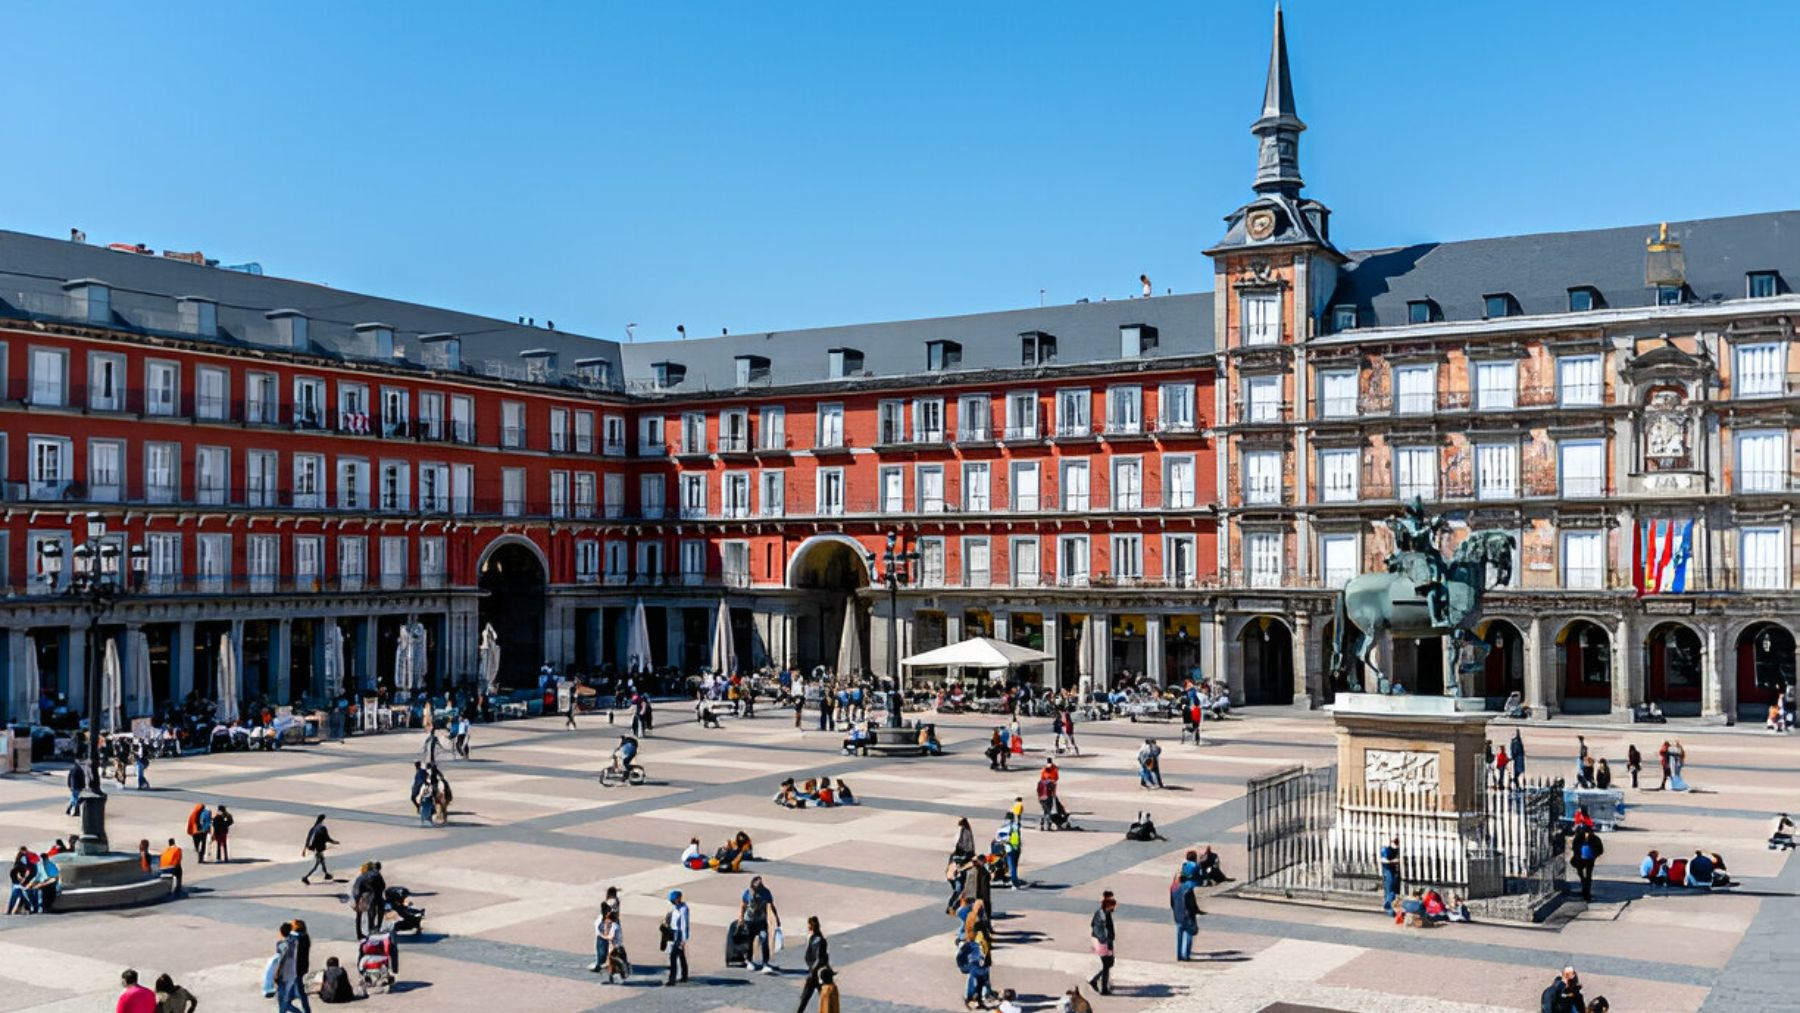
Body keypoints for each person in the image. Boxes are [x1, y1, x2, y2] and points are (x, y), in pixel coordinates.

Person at [740, 875, 782, 973]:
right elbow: (743, 905)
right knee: (749, 941)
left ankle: (765, 963)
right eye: (757, 885)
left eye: (760, 884)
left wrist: (777, 918)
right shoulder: (747, 892)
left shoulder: (766, 892)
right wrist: (741, 918)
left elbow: (771, 905)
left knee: (764, 939)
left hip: (761, 921)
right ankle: (749, 961)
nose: (758, 887)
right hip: (749, 921)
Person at [794, 916, 829, 1013]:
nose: (808, 927)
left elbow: (819, 958)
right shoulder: (814, 937)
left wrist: (813, 971)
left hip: (815, 973)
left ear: (811, 926)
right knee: (819, 997)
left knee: (805, 998)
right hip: (814, 972)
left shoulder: (819, 940)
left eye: (809, 925)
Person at [1087, 891, 1117, 995]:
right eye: (1113, 906)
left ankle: (1097, 981)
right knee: (1107, 963)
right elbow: (1099, 930)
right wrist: (1106, 943)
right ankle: (1102, 986)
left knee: (1110, 962)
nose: (1114, 908)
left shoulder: (1104, 913)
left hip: (1104, 941)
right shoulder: (1102, 915)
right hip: (1102, 942)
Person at [1170, 872, 1202, 960]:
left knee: (1179, 935)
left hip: (1178, 915)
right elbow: (1192, 903)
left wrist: (1175, 910)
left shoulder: (1173, 888)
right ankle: (1186, 954)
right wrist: (1196, 911)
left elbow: (1172, 903)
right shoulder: (1188, 888)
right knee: (1189, 934)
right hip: (1188, 915)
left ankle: (1179, 955)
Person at [273, 922, 304, 1013]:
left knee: (282, 998)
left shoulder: (281, 944)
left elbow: (281, 960)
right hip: (293, 972)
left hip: (284, 974)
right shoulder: (295, 942)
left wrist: (276, 973)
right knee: (285, 998)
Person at [301, 815, 338, 885]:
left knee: (322, 861)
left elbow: (308, 839)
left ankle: (327, 874)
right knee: (316, 865)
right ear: (322, 820)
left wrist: (305, 849)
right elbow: (327, 838)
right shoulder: (322, 828)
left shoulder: (313, 828)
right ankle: (306, 877)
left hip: (315, 849)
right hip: (319, 849)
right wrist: (334, 842)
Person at [1570, 825, 1604, 902]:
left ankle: (1583, 882)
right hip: (1590, 860)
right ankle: (1587, 893)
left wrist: (1578, 854)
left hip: (1580, 860)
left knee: (1581, 873)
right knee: (1588, 875)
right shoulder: (1595, 838)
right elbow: (1601, 850)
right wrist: (1594, 855)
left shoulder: (1578, 837)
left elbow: (1574, 847)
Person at [663, 890, 690, 985]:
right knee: (681, 956)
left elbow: (684, 924)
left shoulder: (683, 909)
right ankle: (684, 976)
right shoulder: (675, 908)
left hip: (679, 934)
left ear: (678, 899)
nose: (673, 902)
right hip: (673, 933)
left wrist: (683, 940)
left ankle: (672, 979)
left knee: (673, 956)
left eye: (674, 900)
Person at [1380, 836, 1402, 915]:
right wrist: (1394, 861)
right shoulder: (1386, 849)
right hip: (1388, 871)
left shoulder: (1396, 850)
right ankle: (1390, 909)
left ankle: (1391, 907)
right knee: (1390, 891)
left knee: (1392, 891)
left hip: (1392, 871)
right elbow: (1383, 860)